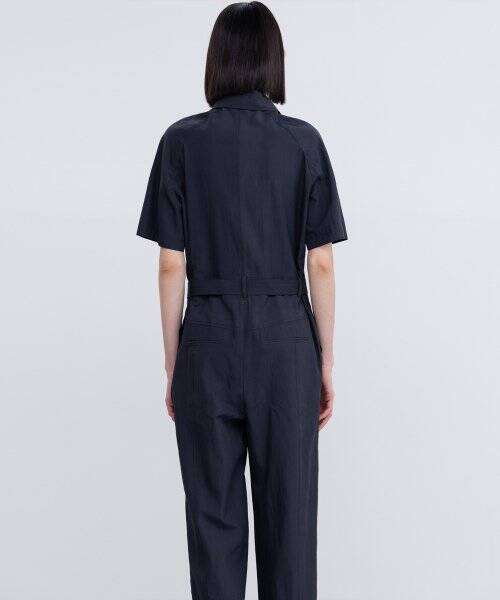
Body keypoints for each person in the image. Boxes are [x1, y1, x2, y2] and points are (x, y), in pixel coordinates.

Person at [137, 2, 347, 598]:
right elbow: (321, 261)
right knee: (290, 530)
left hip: (207, 340)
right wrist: (324, 361)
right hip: (286, 345)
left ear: (218, 61)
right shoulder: (303, 142)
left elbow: (171, 262)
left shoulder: (180, 141)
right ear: (273, 61)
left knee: (213, 527)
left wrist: (175, 362)